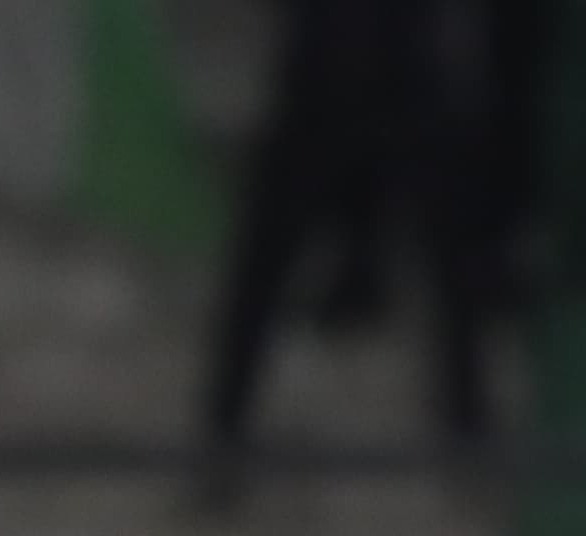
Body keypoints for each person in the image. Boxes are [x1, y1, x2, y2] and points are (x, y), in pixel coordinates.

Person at [199, 0, 521, 462]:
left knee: (450, 266)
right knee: (267, 262)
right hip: (354, 65)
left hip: (380, 64)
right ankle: (220, 435)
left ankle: (468, 428)